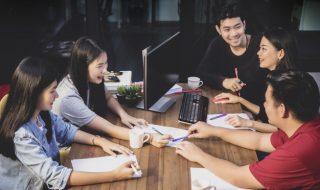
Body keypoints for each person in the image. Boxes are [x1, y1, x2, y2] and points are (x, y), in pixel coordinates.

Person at [0, 57, 138, 189]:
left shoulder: (42, 114)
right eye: (52, 91)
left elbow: (66, 131)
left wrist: (100, 141)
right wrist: (114, 175)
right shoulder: (22, 135)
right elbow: (55, 176)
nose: (57, 95)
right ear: (34, 93)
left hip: (47, 178)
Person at [176, 70, 320, 189]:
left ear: (282, 110)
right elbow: (259, 140)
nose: (264, 105)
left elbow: (239, 177)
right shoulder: (303, 124)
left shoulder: (298, 151)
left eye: (266, 101)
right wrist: (214, 130)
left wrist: (199, 155)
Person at [52, 37, 171, 147]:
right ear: (83, 67)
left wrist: (124, 116)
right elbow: (108, 128)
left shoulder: (86, 78)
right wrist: (149, 137)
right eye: (99, 66)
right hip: (66, 150)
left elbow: (108, 97)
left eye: (106, 63)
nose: (105, 70)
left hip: (83, 136)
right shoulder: (68, 98)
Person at [214, 28, 297, 132]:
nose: (258, 53)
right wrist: (240, 100)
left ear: (280, 54)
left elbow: (283, 130)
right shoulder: (272, 75)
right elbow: (264, 112)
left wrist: (249, 123)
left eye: (264, 49)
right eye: (259, 48)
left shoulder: (288, 85)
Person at [196, 3, 267, 112]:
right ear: (219, 30)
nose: (233, 34)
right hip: (228, 106)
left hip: (257, 111)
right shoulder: (217, 43)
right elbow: (200, 73)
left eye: (237, 27)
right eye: (227, 29)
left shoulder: (262, 44)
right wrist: (223, 81)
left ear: (244, 24)